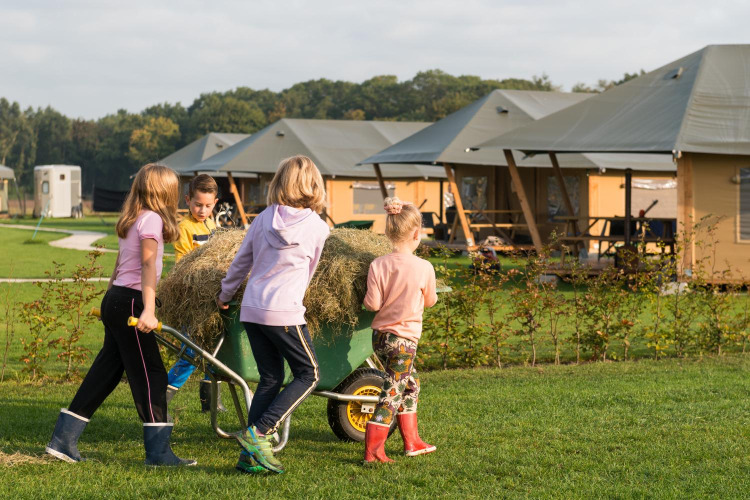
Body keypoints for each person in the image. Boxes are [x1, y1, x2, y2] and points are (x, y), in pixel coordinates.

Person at [46, 163, 195, 467]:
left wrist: (109, 295)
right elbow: (147, 266)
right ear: (165, 192)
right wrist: (149, 310)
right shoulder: (152, 219)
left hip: (116, 299)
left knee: (107, 371)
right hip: (132, 302)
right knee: (151, 374)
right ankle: (158, 453)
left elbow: (119, 262)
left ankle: (63, 440)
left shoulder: (134, 217)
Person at [217, 155, 329, 474]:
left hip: (252, 310)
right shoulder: (318, 228)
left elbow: (241, 263)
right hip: (284, 312)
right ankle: (259, 432)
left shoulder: (264, 218)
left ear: (279, 182)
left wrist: (224, 296)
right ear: (313, 185)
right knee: (310, 374)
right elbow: (309, 273)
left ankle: (248, 458)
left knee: (270, 377)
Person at [362, 197, 438, 463]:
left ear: (388, 232)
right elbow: (430, 301)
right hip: (405, 342)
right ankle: (373, 449)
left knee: (410, 386)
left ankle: (412, 441)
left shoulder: (377, 264)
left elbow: (371, 304)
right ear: (417, 234)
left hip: (381, 340)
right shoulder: (424, 268)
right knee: (392, 392)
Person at [165, 174, 226, 414]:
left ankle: (210, 400)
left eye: (208, 206)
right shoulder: (185, 228)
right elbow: (183, 266)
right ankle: (163, 397)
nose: (202, 210)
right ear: (188, 200)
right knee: (191, 352)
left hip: (213, 298)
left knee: (217, 350)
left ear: (215, 203)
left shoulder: (213, 226)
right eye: (198, 204)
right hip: (193, 299)